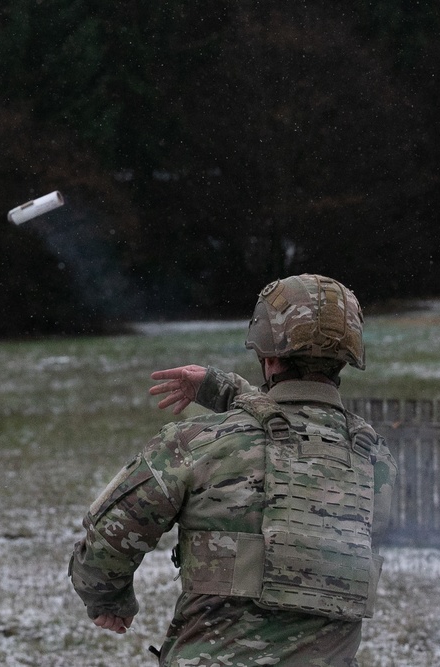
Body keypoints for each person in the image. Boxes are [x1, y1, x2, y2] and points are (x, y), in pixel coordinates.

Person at [68, 274, 398, 666]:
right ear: (347, 356)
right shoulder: (374, 461)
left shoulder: (193, 444)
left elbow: (107, 544)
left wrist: (110, 600)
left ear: (267, 354)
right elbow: (290, 437)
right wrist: (226, 391)